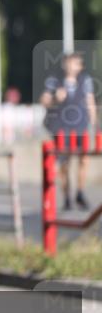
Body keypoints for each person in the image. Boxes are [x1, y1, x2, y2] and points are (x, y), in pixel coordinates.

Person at [41, 52, 97, 210]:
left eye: (76, 63)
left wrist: (93, 124)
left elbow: (90, 101)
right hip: (61, 128)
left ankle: (80, 192)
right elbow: (44, 100)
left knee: (84, 159)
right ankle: (67, 196)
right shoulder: (54, 80)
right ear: (65, 64)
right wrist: (55, 99)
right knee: (64, 164)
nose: (72, 66)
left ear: (80, 66)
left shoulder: (85, 80)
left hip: (80, 126)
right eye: (70, 63)